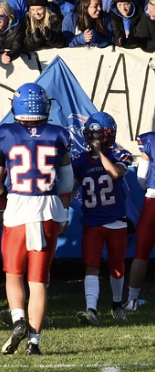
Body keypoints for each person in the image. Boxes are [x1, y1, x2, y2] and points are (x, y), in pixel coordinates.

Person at [0, 83, 73, 357]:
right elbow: (68, 181)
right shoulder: (59, 135)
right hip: (48, 208)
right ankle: (34, 344)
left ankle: (17, 320)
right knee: (38, 282)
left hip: (18, 209)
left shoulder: (5, 134)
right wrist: (65, 211)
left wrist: (6, 196)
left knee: (14, 275)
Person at [72, 112, 132, 325]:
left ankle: (117, 304)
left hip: (115, 219)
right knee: (91, 264)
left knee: (116, 266)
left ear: (109, 135)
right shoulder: (79, 160)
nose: (94, 139)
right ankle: (91, 309)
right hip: (91, 221)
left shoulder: (119, 154)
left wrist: (100, 153)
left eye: (99, 134)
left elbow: (115, 173)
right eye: (91, 134)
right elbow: (71, 188)